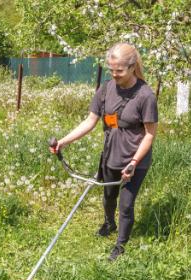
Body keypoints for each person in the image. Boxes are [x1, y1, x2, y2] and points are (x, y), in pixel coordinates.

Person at [49, 42, 158, 261]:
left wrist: (134, 162)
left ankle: (120, 245)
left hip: (135, 160)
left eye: (119, 70)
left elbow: (150, 134)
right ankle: (109, 223)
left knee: (125, 204)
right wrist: (63, 142)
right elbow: (90, 121)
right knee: (108, 197)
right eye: (111, 69)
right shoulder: (106, 89)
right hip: (111, 156)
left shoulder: (145, 96)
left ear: (132, 66)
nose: (114, 74)